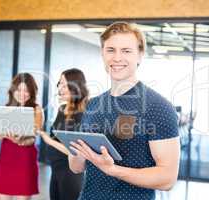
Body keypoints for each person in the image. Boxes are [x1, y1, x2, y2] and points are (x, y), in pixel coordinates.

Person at [69, 22, 180, 200]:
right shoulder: (92, 104)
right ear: (103, 54)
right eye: (111, 50)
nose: (117, 58)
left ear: (140, 55)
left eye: (126, 51)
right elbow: (76, 167)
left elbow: (167, 179)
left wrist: (113, 170)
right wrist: (79, 153)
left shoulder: (159, 107)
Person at [39, 68, 89, 200]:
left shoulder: (81, 114)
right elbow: (55, 135)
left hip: (70, 174)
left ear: (75, 87)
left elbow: (75, 151)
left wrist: (47, 140)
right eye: (59, 83)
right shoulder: (62, 109)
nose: (59, 87)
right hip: (55, 169)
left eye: (64, 84)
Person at [0, 73, 44, 200]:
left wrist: (19, 140)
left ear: (32, 92)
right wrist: (0, 135)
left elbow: (34, 135)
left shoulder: (36, 109)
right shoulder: (6, 108)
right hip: (7, 155)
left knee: (23, 196)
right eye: (19, 90)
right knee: (4, 195)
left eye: (27, 91)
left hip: (25, 157)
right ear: (13, 90)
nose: (22, 94)